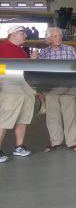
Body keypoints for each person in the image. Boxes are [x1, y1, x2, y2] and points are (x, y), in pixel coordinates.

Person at [34, 27, 76, 152]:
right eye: (55, 36)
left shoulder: (69, 49)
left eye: (59, 36)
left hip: (68, 86)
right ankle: (55, 141)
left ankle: (72, 142)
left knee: (70, 114)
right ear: (48, 39)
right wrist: (33, 59)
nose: (58, 38)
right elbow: (37, 70)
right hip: (50, 88)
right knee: (52, 115)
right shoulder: (43, 53)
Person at [0, 26, 35, 162]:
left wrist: (31, 61)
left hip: (25, 89)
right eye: (22, 33)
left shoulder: (22, 52)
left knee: (23, 118)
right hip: (9, 89)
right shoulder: (2, 48)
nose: (25, 36)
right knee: (4, 119)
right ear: (12, 35)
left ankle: (19, 147)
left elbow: (26, 71)